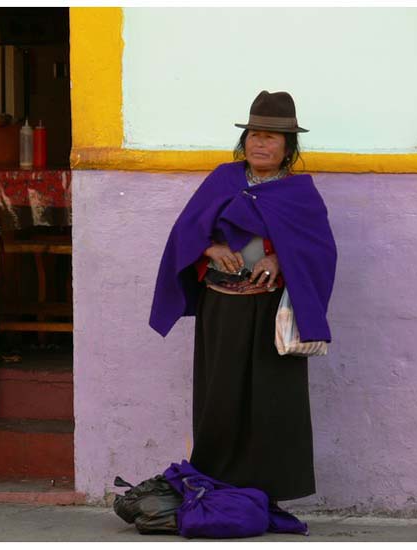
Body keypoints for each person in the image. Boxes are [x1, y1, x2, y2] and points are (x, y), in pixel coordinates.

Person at [149, 91, 338, 509]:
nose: (260, 144)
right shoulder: (223, 179)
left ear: (289, 148)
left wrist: (278, 257)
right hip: (223, 308)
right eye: (254, 134)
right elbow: (186, 231)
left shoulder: (299, 193)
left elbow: (318, 249)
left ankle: (266, 495)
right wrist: (209, 250)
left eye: (272, 137)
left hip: (271, 310)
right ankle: (214, 488)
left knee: (272, 402)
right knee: (220, 397)